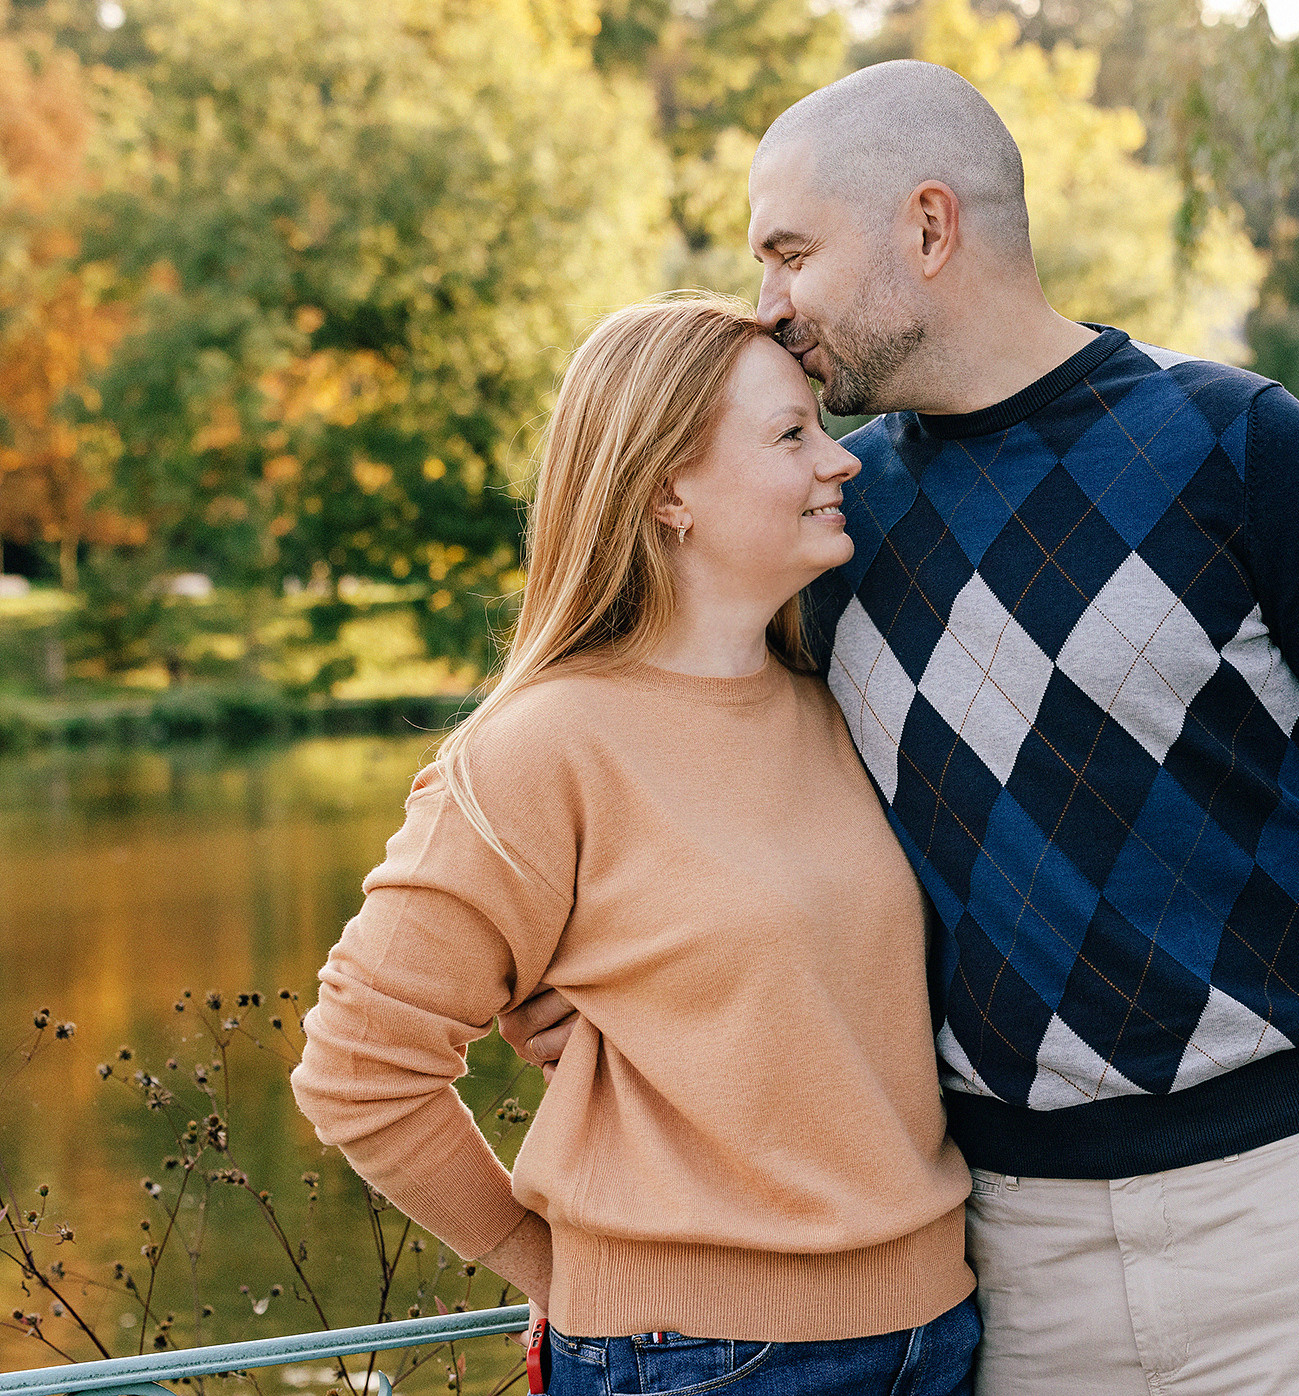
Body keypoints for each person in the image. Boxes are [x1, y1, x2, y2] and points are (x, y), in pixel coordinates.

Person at [507, 61, 1299, 1396]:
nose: (767, 307)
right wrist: (590, 961)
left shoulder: (1241, 449)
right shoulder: (834, 522)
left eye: (792, 254)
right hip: (1009, 1258)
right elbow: (691, 755)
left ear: (930, 229)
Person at [290, 293, 980, 1396]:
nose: (841, 462)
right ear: (668, 490)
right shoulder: (540, 747)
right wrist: (545, 1261)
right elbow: (360, 1069)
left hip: (933, 1332)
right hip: (697, 1360)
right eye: (790, 434)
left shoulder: (836, 702)